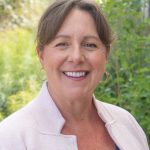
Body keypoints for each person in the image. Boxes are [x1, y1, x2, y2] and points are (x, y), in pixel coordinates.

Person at [0, 0, 149, 149]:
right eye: (62, 44)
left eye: (89, 44)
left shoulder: (127, 124)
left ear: (106, 54)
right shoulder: (10, 137)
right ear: (41, 56)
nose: (76, 57)